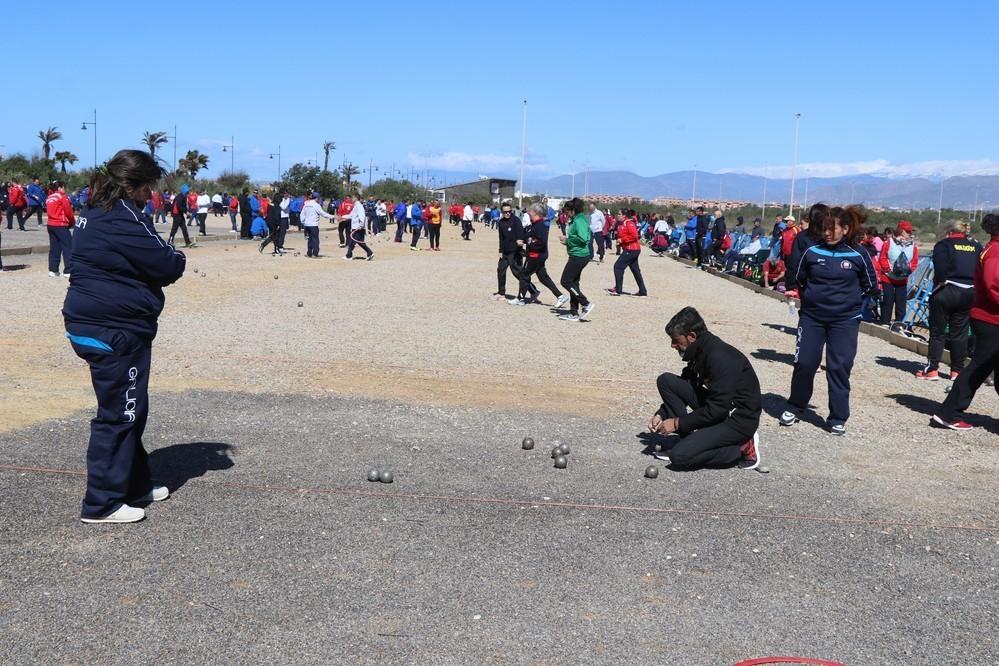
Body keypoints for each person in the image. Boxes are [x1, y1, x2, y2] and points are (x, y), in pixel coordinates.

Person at [63, 149, 187, 523]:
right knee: (119, 413)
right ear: (132, 186)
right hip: (112, 330)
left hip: (103, 323)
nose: (151, 195)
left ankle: (133, 484)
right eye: (148, 187)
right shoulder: (124, 219)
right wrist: (176, 255)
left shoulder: (96, 211)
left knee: (133, 408)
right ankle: (101, 504)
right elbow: (169, 263)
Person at [781, 204, 879, 436]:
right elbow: (798, 278)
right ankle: (796, 405)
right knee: (805, 363)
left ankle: (837, 416)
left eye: (831, 229)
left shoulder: (859, 254)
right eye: (823, 228)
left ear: (845, 229)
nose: (826, 233)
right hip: (812, 318)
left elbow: (871, 287)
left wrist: (852, 308)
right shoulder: (812, 252)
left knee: (838, 367)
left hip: (844, 322)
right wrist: (809, 299)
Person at [649, 307, 762, 470]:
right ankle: (690, 440)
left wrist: (676, 423)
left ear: (692, 336)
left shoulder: (719, 357)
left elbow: (717, 410)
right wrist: (662, 413)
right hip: (719, 407)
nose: (673, 345)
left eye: (676, 340)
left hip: (738, 420)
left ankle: (743, 448)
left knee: (679, 457)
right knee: (666, 381)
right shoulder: (700, 350)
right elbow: (685, 385)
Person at [931, 214, 999, 430]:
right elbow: (993, 285)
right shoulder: (995, 251)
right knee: (978, 367)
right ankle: (948, 413)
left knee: (985, 366)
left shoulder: (990, 248)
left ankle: (948, 413)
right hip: (991, 318)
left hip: (986, 315)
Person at [916, 221, 982, 381]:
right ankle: (957, 371)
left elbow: (940, 267)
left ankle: (932, 369)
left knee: (938, 332)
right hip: (969, 292)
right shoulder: (975, 245)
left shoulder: (944, 245)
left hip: (947, 290)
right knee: (960, 333)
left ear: (950, 231)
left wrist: (942, 281)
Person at [510, 203, 569, 308]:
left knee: (524, 275)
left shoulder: (540, 225)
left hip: (536, 256)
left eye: (530, 211)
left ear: (535, 213)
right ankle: (560, 296)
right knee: (543, 278)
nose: (529, 212)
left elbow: (541, 242)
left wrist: (527, 243)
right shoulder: (534, 225)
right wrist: (522, 239)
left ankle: (520, 298)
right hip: (536, 255)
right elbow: (528, 235)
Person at [557, 198, 595, 321]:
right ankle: (574, 312)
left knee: (566, 281)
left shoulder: (579, 220)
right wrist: (568, 242)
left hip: (579, 256)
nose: (566, 214)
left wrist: (568, 240)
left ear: (573, 210)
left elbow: (583, 238)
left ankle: (585, 303)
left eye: (567, 211)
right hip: (576, 254)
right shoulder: (576, 219)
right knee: (574, 283)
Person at [878, 220, 918, 327]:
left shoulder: (912, 245)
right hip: (888, 277)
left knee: (901, 301)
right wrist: (888, 270)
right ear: (900, 231)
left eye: (910, 231)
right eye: (907, 231)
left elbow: (914, 260)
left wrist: (908, 271)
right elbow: (882, 257)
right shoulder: (888, 242)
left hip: (902, 278)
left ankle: (899, 322)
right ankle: (885, 321)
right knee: (888, 299)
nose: (909, 233)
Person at [606, 209, 648, 296]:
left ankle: (618, 289)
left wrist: (622, 239)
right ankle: (642, 291)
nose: (617, 215)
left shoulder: (629, 223)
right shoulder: (622, 224)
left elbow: (635, 236)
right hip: (630, 249)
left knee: (618, 267)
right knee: (636, 271)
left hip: (632, 249)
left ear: (624, 215)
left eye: (619, 214)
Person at [45, 180, 75, 277]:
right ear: (60, 187)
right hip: (61, 224)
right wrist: (72, 223)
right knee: (68, 247)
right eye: (64, 187)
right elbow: (68, 212)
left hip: (50, 224)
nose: (65, 189)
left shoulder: (49, 197)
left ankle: (53, 270)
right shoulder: (62, 197)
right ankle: (68, 270)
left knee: (54, 248)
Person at [301, 191, 333, 257]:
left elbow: (302, 214)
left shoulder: (306, 204)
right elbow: (323, 214)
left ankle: (309, 253)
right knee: (315, 239)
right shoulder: (316, 205)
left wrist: (303, 222)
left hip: (306, 225)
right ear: (317, 198)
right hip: (313, 225)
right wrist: (332, 216)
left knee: (309, 239)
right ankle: (315, 253)